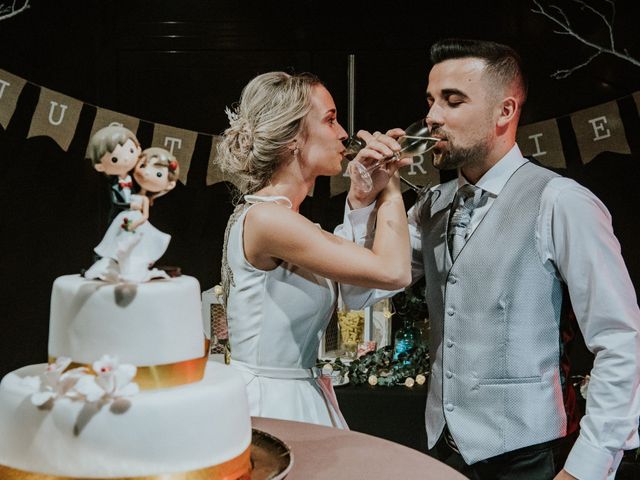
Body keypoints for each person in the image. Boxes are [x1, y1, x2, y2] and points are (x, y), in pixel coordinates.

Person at [337, 38, 640, 479]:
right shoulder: (431, 205)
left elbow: (621, 339)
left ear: (505, 112)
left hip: (529, 456)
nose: (433, 116)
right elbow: (358, 293)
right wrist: (365, 198)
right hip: (443, 449)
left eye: (453, 101)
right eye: (431, 100)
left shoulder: (560, 202)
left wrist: (588, 467)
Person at [216, 71, 412, 428]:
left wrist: (362, 198)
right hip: (272, 403)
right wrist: (393, 185)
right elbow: (393, 270)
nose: (342, 133)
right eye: (330, 119)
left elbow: (357, 292)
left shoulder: (287, 222)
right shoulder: (267, 220)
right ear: (293, 137)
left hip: (298, 392)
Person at [84, 147, 179, 283]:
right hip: (123, 219)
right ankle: (111, 264)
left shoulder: (145, 199)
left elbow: (145, 216)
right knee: (116, 241)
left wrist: (135, 223)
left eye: (158, 174)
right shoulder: (129, 189)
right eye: (143, 165)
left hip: (136, 223)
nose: (146, 173)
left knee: (135, 245)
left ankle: (131, 267)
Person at [87, 123, 142, 224]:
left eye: (131, 151)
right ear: (100, 166)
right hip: (119, 219)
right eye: (115, 159)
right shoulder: (116, 183)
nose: (126, 159)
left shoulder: (131, 179)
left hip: (131, 216)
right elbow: (117, 203)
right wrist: (130, 205)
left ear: (138, 150)